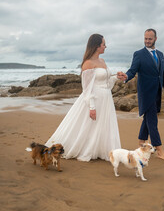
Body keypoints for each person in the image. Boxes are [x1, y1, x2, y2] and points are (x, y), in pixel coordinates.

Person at [45, 34, 121, 162]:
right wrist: (91, 107)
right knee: (89, 125)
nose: (105, 46)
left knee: (102, 125)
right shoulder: (88, 64)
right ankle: (85, 149)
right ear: (97, 46)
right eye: (103, 44)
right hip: (94, 99)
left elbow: (106, 82)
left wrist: (116, 77)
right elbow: (87, 89)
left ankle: (100, 149)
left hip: (106, 98)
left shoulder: (102, 61)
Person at [118, 28, 164, 161]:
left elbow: (163, 75)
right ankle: (159, 150)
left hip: (157, 93)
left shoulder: (160, 54)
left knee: (147, 119)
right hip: (146, 93)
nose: (147, 41)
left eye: (150, 38)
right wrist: (126, 77)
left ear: (155, 39)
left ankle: (141, 143)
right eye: (145, 38)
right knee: (152, 121)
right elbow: (132, 70)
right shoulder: (139, 54)